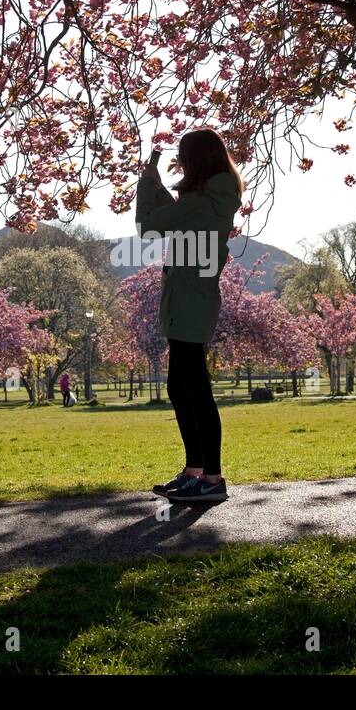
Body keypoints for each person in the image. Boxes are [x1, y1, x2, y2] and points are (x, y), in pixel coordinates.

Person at [136, 128, 243, 504]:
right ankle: (196, 472)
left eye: (184, 156)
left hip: (188, 303)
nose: (180, 161)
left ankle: (211, 479)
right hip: (191, 300)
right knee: (183, 388)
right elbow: (174, 215)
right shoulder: (208, 200)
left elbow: (148, 226)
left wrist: (145, 184)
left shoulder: (200, 203)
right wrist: (155, 183)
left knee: (194, 390)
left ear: (195, 159)